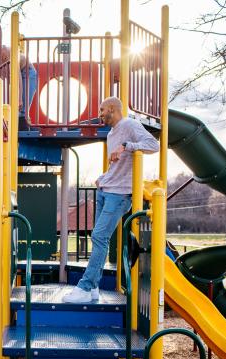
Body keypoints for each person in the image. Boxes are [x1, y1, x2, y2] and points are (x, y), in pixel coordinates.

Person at [63, 96, 160, 304]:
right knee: (100, 239)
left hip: (120, 195)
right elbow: (117, 164)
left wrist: (126, 146)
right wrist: (104, 177)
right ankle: (94, 287)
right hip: (106, 190)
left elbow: (154, 145)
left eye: (101, 110)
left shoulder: (129, 125)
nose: (99, 114)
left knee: (98, 236)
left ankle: (85, 286)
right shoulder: (111, 134)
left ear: (112, 109)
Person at [0, 25, 38, 128]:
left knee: (21, 108)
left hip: (27, 73)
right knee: (15, 110)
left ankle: (22, 134)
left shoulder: (5, 52)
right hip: (17, 76)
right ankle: (18, 132)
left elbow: (16, 75)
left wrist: (19, 98)